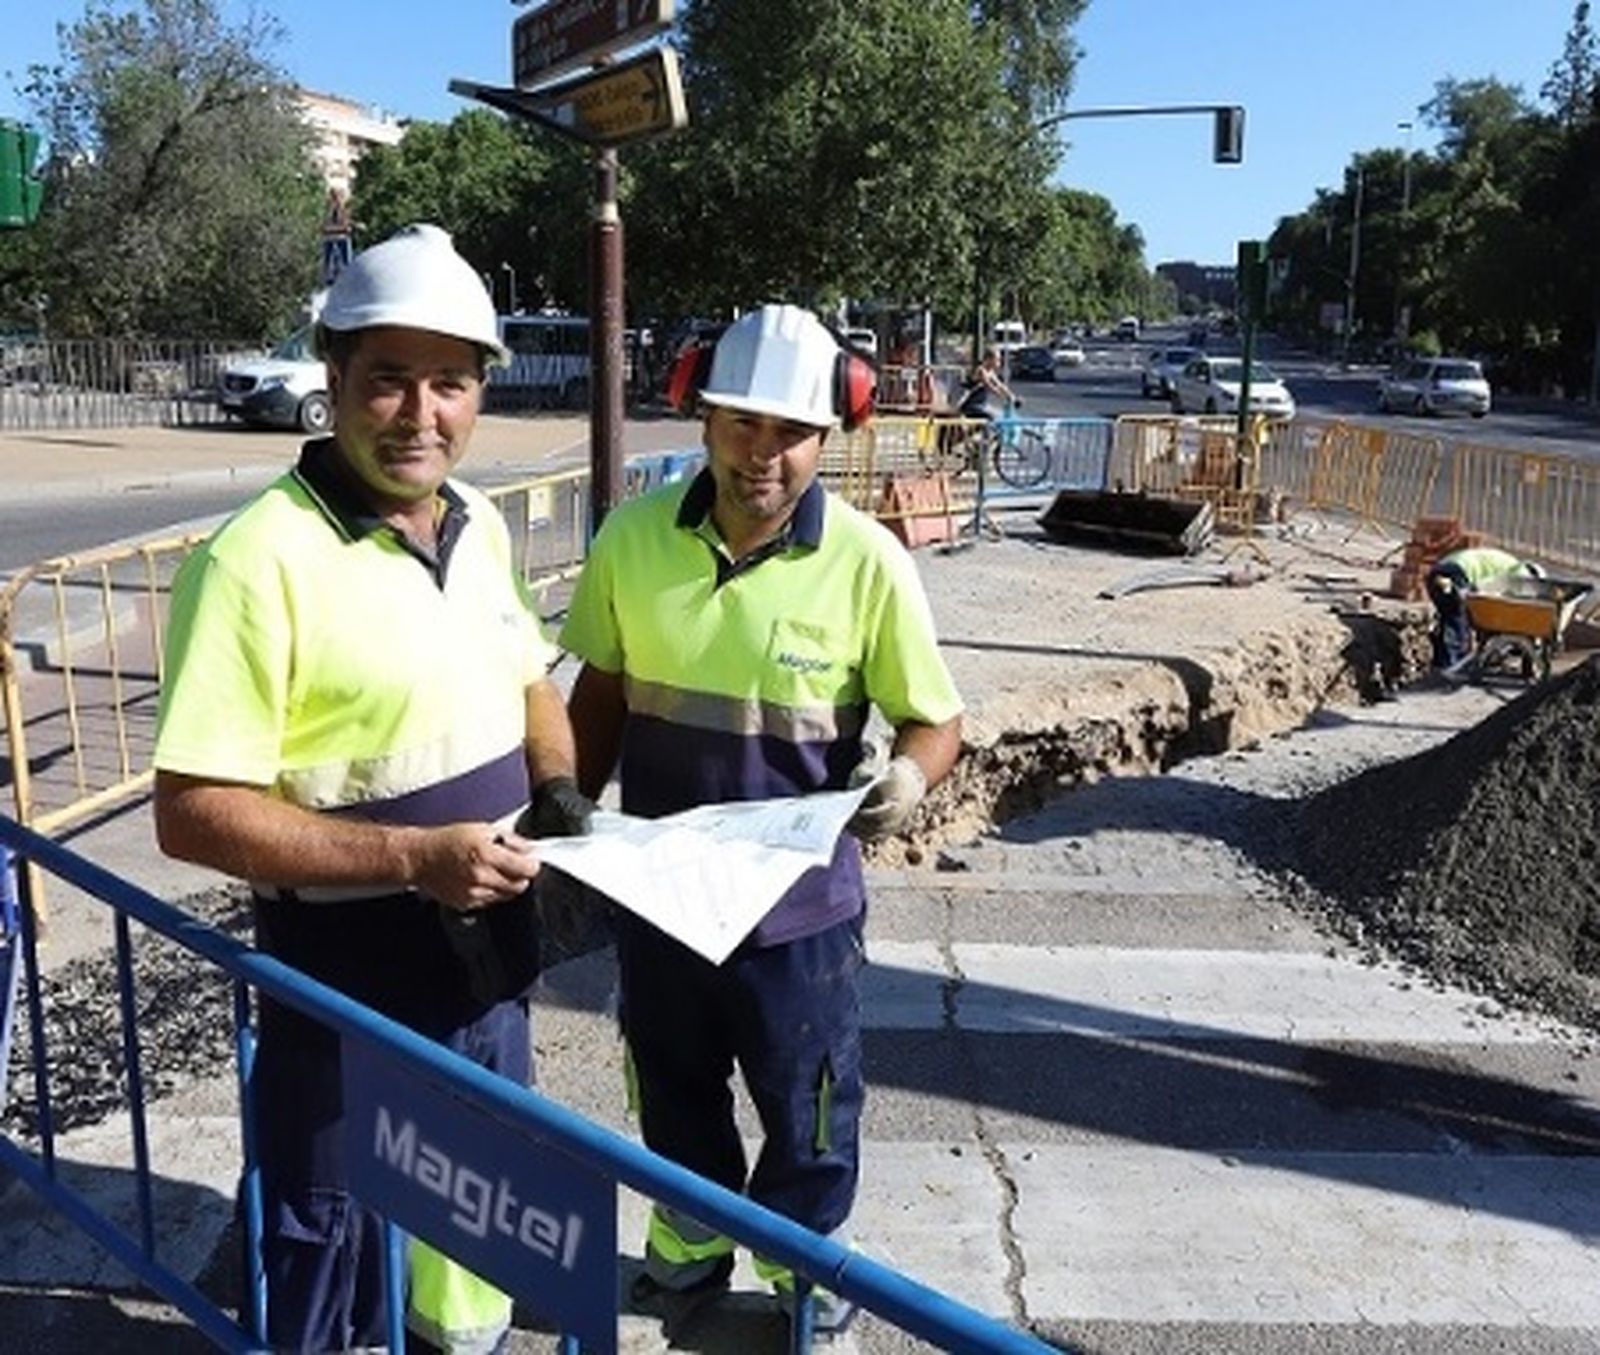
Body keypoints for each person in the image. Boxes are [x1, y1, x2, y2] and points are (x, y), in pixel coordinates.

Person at [152, 223, 595, 1354]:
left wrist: (559, 785)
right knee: (327, 1230)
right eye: (388, 379)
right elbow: (192, 809)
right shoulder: (255, 563)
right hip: (345, 988)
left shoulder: (479, 524)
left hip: (490, 961)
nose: (419, 412)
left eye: (448, 382)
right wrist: (412, 856)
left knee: (480, 1207)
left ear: (479, 394)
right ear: (333, 376)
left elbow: (530, 677)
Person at [559, 303, 963, 1333]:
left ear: (831, 433)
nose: (762, 453)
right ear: (702, 414)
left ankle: (803, 1285)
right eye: (741, 421)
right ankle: (689, 1259)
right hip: (662, 898)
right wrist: (561, 803)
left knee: (809, 1111)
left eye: (789, 431)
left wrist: (909, 778)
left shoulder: (868, 563)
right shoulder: (633, 538)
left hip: (800, 917)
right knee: (673, 1093)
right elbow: (599, 691)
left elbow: (935, 719)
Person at [1425, 544, 1544, 671]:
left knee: (1449, 618)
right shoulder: (1521, 572)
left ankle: (1440, 664)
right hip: (1458, 572)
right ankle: (1452, 667)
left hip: (1438, 570)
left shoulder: (1507, 563)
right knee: (1458, 622)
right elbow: (1497, 594)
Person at [956, 347, 1016, 420]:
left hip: (981, 405)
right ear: (989, 359)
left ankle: (985, 431)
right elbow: (989, 385)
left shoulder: (990, 372)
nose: (999, 362)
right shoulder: (981, 370)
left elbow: (1000, 385)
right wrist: (1002, 397)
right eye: (997, 359)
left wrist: (1011, 395)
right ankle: (986, 431)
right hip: (971, 406)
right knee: (992, 417)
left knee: (998, 415)